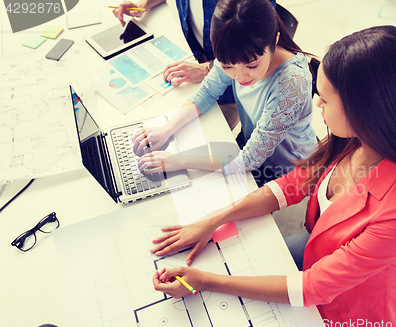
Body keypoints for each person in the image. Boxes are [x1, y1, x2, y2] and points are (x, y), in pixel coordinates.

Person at [148, 25, 396, 327]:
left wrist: (205, 282)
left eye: (326, 100)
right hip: (319, 251)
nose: (316, 104)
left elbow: (313, 287)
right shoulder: (357, 139)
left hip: (351, 312)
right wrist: (214, 219)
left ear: (367, 109)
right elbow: (294, 183)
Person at [132, 0, 317, 187]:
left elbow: (248, 161)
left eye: (252, 65)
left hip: (287, 169)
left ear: (274, 41)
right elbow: (208, 91)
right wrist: (167, 129)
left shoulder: (291, 83)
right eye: (227, 66)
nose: (239, 76)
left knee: (201, 189)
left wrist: (178, 160)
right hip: (251, 143)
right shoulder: (234, 50)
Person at [113, 0, 275, 130]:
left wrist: (207, 68)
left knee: (202, 138)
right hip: (202, 61)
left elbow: (257, 46)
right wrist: (143, 4)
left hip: (231, 87)